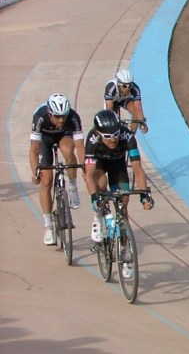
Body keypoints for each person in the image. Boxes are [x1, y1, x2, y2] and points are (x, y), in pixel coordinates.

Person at [84, 110, 154, 278]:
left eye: (115, 134)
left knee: (123, 202)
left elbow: (137, 168)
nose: (113, 139)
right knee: (100, 184)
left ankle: (125, 249)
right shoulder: (92, 139)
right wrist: (94, 197)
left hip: (118, 166)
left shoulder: (128, 136)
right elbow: (88, 174)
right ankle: (98, 217)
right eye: (107, 136)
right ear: (99, 134)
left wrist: (144, 194)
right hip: (99, 165)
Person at [28, 93, 84, 245]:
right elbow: (34, 148)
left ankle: (73, 188)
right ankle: (48, 226)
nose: (61, 120)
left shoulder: (73, 117)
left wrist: (85, 166)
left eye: (64, 117)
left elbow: (80, 146)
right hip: (45, 140)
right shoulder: (40, 117)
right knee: (46, 181)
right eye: (58, 116)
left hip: (64, 136)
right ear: (50, 113)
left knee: (68, 151)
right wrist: (35, 172)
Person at [104, 69, 147, 133]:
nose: (127, 88)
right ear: (118, 84)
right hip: (112, 101)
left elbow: (138, 108)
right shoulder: (111, 87)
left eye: (130, 85)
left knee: (135, 112)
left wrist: (142, 123)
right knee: (110, 120)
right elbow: (109, 110)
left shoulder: (135, 89)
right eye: (124, 86)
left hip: (125, 100)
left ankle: (131, 135)